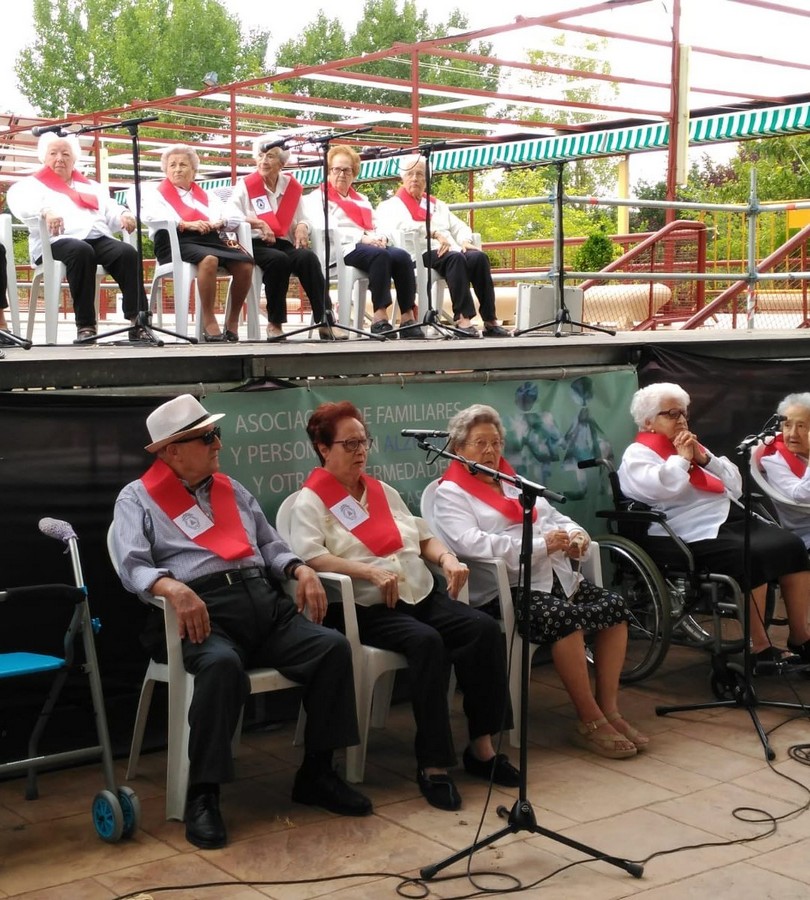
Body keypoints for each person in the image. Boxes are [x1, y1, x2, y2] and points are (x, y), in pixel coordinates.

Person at [111, 394, 371, 850]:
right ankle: (203, 795)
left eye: (216, 434)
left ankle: (317, 773)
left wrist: (300, 569)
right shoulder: (138, 498)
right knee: (220, 667)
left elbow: (270, 545)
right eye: (207, 437)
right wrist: (172, 588)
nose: (218, 444)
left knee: (331, 649)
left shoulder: (231, 488)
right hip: (201, 611)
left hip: (262, 603)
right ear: (172, 451)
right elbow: (131, 565)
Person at [288, 400, 519, 811]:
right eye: (349, 444)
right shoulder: (310, 502)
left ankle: (482, 748)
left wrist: (447, 559)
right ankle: (433, 765)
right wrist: (367, 572)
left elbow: (422, 535)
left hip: (418, 591)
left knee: (481, 629)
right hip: (368, 607)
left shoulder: (382, 492)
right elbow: (310, 557)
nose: (360, 451)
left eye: (364, 442)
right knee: (427, 643)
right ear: (323, 448)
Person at [433, 403, 643, 760]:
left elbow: (554, 516)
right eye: (480, 443)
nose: (490, 450)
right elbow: (471, 544)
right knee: (565, 619)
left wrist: (575, 536)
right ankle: (589, 720)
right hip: (505, 589)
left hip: (554, 577)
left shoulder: (513, 482)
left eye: (496, 442)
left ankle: (609, 709)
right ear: (458, 448)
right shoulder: (451, 493)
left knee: (614, 608)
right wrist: (540, 545)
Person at [618, 382, 810, 669]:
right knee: (751, 553)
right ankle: (759, 646)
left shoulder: (691, 444)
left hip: (724, 516)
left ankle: (800, 636)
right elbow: (659, 488)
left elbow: (734, 484)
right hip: (683, 528)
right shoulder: (638, 454)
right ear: (648, 422)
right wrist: (682, 460)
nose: (681, 420)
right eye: (671, 414)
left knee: (791, 545)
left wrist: (705, 459)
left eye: (683, 413)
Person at [7, 132, 148, 343]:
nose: (59, 159)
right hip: (56, 241)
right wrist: (45, 212)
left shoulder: (91, 186)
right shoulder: (30, 185)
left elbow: (110, 209)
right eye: (53, 153)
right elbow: (21, 205)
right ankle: (86, 325)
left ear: (74, 159)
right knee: (81, 251)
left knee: (127, 253)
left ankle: (138, 321)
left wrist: (123, 213)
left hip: (96, 237)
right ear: (43, 158)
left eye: (65, 154)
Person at [376, 155, 509, 338]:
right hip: (419, 252)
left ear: (427, 179)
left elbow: (459, 226)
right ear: (402, 178)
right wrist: (435, 233)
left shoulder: (436, 205)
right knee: (455, 258)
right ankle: (463, 319)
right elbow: (403, 226)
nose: (415, 178)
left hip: (449, 250)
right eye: (410, 174)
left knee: (478, 257)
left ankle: (490, 320)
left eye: (420, 174)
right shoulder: (390, 205)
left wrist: (464, 240)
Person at [303, 145, 424, 339]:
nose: (342, 174)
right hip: (340, 249)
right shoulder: (317, 198)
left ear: (354, 173)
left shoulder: (362, 199)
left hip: (369, 245)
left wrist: (382, 236)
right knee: (380, 255)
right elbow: (326, 228)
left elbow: (377, 223)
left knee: (402, 256)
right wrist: (362, 237)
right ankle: (379, 317)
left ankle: (407, 318)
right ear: (329, 171)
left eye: (347, 170)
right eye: (337, 169)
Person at [225, 137, 337, 342]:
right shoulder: (246, 185)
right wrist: (259, 223)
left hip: (283, 243)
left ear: (282, 163)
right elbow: (229, 216)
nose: (264, 161)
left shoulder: (290, 187)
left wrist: (302, 226)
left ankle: (325, 321)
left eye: (270, 156)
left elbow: (304, 217)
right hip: (254, 243)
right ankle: (275, 324)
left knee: (308, 258)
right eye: (261, 156)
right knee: (279, 260)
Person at [139, 144, 253, 342]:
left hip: (208, 238)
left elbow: (234, 214)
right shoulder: (156, 194)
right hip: (174, 241)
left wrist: (220, 222)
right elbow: (150, 216)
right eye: (172, 165)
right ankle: (208, 320)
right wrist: (185, 223)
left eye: (183, 165)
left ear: (193, 170)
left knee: (245, 263)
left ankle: (232, 320)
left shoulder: (207, 195)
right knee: (209, 260)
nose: (177, 169)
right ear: (165, 170)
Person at [759, 392, 810, 548]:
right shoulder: (774, 462)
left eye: (801, 426)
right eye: (787, 425)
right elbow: (802, 495)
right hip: (804, 534)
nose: (793, 434)